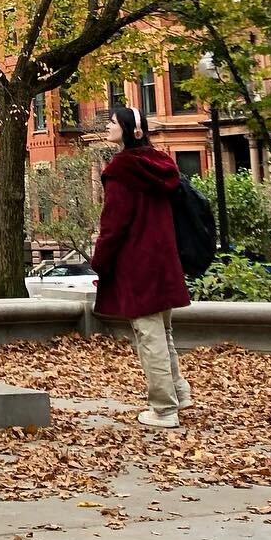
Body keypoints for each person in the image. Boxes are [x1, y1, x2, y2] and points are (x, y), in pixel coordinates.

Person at [91, 105, 193, 428]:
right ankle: (179, 391)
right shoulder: (160, 164)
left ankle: (164, 408)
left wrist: (101, 260)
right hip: (164, 259)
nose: (108, 126)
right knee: (164, 332)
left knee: (149, 335)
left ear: (127, 129)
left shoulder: (121, 170)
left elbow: (113, 224)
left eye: (112, 122)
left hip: (138, 263)